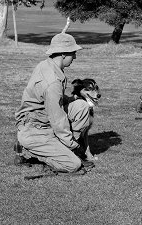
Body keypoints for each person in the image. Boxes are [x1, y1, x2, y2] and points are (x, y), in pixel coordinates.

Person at [14, 33, 93, 174]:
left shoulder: (47, 65)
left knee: (81, 106)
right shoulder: (52, 82)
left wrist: (71, 100)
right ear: (63, 54)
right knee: (73, 165)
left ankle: (62, 148)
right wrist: (74, 145)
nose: (74, 57)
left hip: (43, 121)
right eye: (73, 53)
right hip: (35, 129)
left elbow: (54, 102)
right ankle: (28, 151)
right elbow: (57, 119)